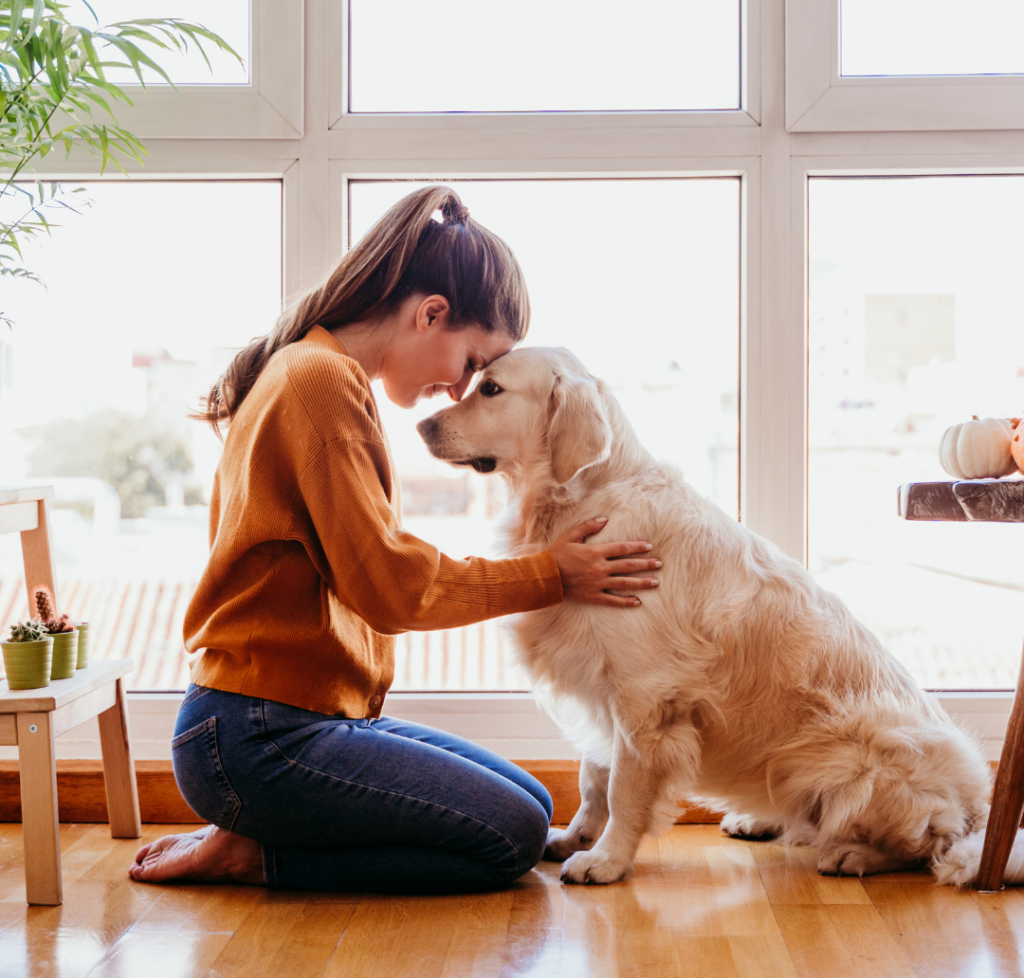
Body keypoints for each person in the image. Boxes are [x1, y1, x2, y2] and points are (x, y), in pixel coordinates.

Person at [128, 185, 662, 894]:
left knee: (534, 807)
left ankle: (258, 826)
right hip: (256, 737)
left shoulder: (316, 369)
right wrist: (551, 574)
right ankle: (256, 853)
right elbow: (390, 587)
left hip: (294, 723)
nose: (458, 390)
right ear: (430, 313)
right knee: (509, 838)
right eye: (472, 363)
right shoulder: (319, 384)